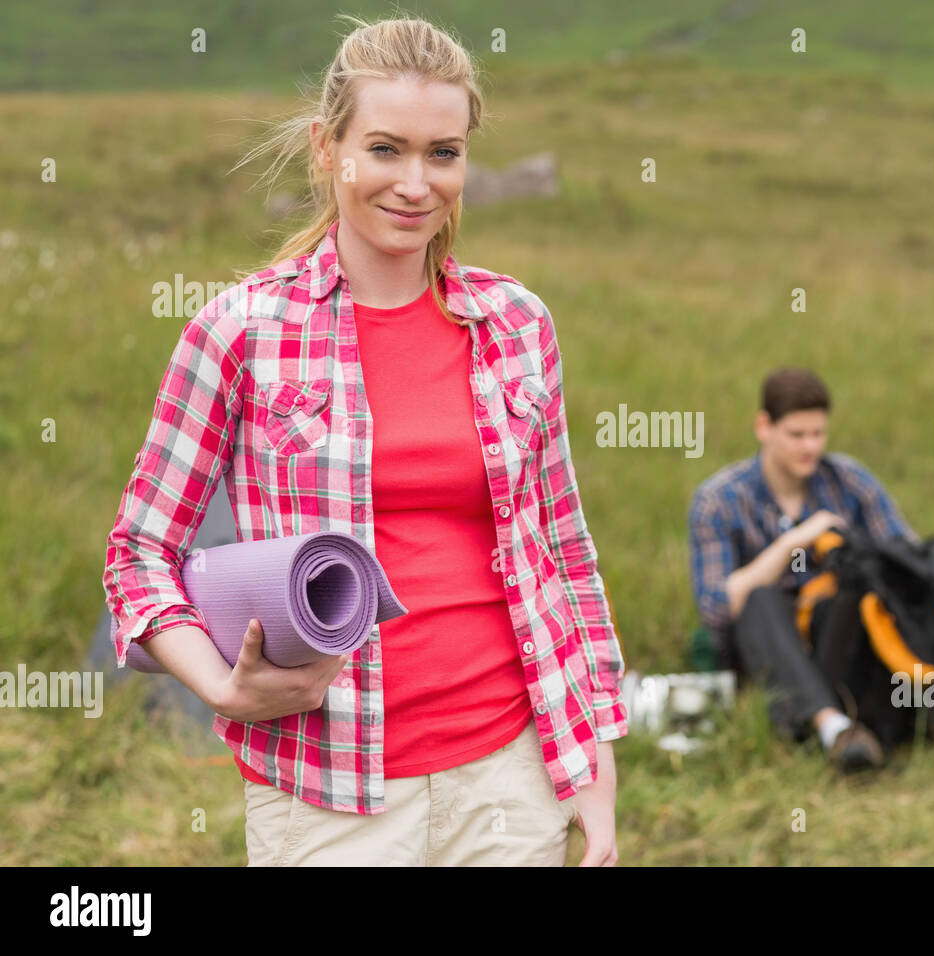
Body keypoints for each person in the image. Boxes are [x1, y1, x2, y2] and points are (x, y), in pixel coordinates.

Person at [102, 15, 625, 866]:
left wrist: (592, 767)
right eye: (385, 149)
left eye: (443, 153)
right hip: (326, 791)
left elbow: (563, 552)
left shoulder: (517, 324)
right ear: (326, 149)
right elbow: (138, 556)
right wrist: (222, 689)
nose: (416, 183)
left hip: (509, 772)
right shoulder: (239, 333)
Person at [688, 367, 934, 773]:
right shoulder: (719, 501)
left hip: (848, 643)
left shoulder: (848, 481)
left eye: (818, 434)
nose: (809, 447)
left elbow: (910, 557)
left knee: (933, 583)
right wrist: (795, 542)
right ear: (764, 427)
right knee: (759, 600)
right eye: (797, 435)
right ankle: (835, 731)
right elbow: (717, 609)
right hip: (780, 660)